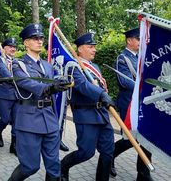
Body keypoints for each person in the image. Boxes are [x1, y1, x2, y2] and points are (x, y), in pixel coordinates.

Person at [7, 23, 70, 181]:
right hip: (29, 120)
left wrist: (61, 84)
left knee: (54, 166)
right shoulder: (18, 64)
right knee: (30, 167)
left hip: (49, 119)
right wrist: (51, 87)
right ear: (26, 43)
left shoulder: (48, 66)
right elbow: (29, 84)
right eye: (34, 38)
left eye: (41, 38)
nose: (39, 41)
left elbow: (53, 84)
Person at [61, 33, 115, 181]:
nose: (94, 50)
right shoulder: (73, 66)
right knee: (86, 152)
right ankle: (63, 166)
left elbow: (99, 85)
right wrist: (101, 95)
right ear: (79, 49)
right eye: (90, 47)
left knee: (108, 151)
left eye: (94, 47)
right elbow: (83, 86)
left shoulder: (94, 66)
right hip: (86, 115)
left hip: (102, 114)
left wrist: (103, 95)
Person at [111, 28, 153, 181]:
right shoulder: (123, 58)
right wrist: (144, 86)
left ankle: (143, 173)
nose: (140, 41)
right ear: (129, 40)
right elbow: (125, 81)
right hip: (128, 104)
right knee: (130, 139)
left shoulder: (141, 57)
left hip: (142, 104)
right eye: (138, 38)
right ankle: (109, 157)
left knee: (147, 138)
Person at [0, 38, 18, 155]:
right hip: (4, 94)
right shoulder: (0, 60)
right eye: (10, 46)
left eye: (14, 47)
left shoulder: (17, 62)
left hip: (17, 95)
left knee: (16, 121)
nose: (13, 49)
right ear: (4, 48)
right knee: (5, 119)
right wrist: (19, 80)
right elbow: (5, 74)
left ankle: (14, 146)